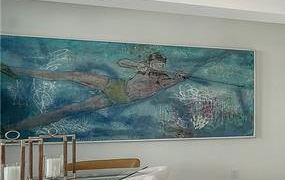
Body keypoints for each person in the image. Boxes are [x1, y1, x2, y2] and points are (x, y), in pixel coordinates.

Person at [1, 52, 188, 132]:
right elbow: (121, 62)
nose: (158, 66)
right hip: (114, 84)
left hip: (119, 97)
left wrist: (178, 79)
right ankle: (13, 70)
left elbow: (170, 82)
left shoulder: (163, 78)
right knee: (71, 75)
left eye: (160, 64)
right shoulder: (144, 68)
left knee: (69, 109)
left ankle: (13, 128)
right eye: (155, 63)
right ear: (150, 62)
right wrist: (137, 65)